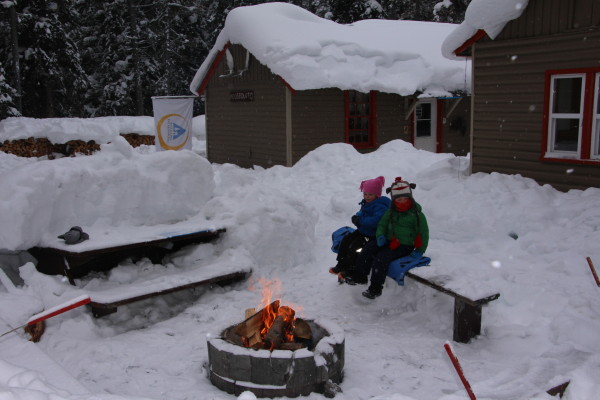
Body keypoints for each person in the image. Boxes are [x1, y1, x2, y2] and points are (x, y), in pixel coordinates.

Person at [343, 177, 429, 299]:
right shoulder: (391, 211)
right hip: (389, 240)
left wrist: (420, 250)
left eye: (405, 199)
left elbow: (423, 233)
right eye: (399, 199)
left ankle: (375, 289)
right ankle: (361, 276)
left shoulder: (416, 214)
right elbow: (382, 224)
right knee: (368, 249)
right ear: (394, 200)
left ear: (410, 198)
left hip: (404, 245)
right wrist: (380, 236)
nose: (402, 201)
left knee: (381, 258)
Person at [329, 176, 390, 280]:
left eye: (370, 194)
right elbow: (362, 212)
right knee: (346, 239)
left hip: (372, 234)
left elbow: (375, 221)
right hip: (363, 231)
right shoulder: (367, 202)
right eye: (365, 194)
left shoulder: (380, 206)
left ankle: (351, 267)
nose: (367, 196)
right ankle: (341, 263)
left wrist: (360, 221)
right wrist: (356, 217)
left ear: (377, 194)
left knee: (355, 247)